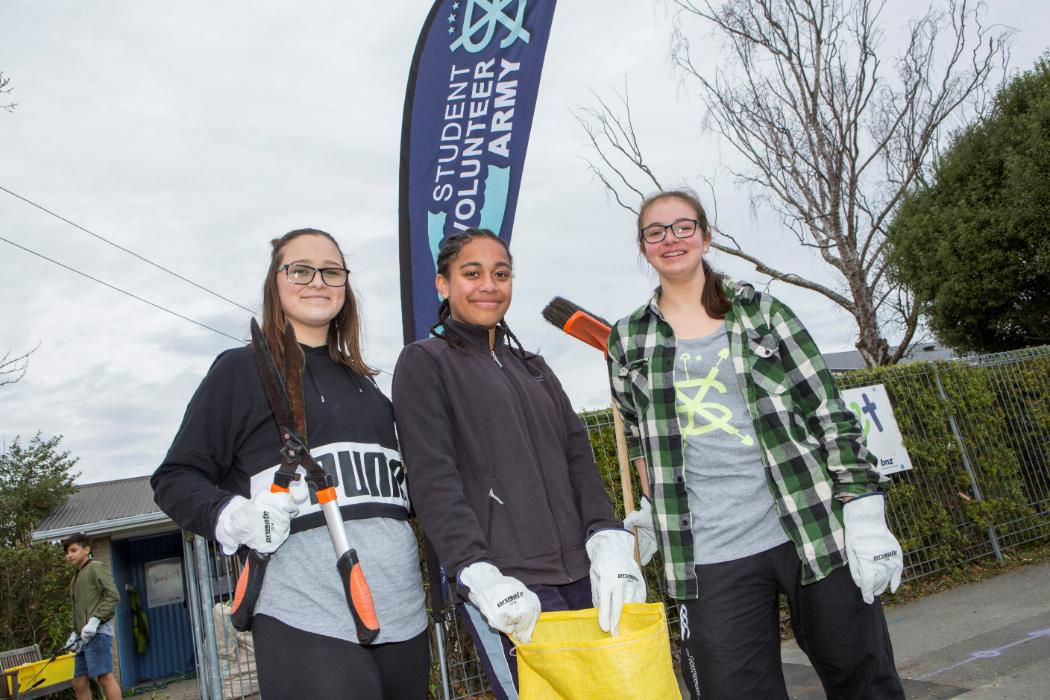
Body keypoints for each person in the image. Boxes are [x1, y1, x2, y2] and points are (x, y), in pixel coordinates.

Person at [609, 189, 906, 699]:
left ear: (705, 235)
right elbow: (639, 438)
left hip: (810, 526)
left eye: (683, 226)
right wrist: (652, 508)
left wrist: (863, 509)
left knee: (865, 680)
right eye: (654, 232)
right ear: (644, 248)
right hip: (708, 552)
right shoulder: (628, 339)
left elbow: (827, 410)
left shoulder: (763, 314)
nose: (670, 239)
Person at [152, 228, 429, 699]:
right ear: (274, 284)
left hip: (403, 616)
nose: (317, 281)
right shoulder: (240, 371)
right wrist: (233, 515)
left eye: (332, 271)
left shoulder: (368, 387)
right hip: (306, 618)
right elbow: (175, 478)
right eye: (300, 270)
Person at [392, 228, 645, 699]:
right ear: (443, 285)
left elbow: (578, 457)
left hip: (584, 576)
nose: (489, 284)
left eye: (501, 273)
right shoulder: (424, 363)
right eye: (472, 273)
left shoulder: (535, 367)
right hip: (511, 586)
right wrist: (475, 569)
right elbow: (432, 477)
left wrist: (607, 536)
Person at [63, 532, 122, 700]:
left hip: (98, 633)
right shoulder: (76, 577)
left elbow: (113, 596)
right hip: (83, 637)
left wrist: (95, 620)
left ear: (87, 549)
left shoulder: (95, 567)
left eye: (73, 550)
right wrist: (75, 632)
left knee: (104, 676)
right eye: (67, 552)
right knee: (79, 682)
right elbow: (79, 608)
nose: (69, 555)